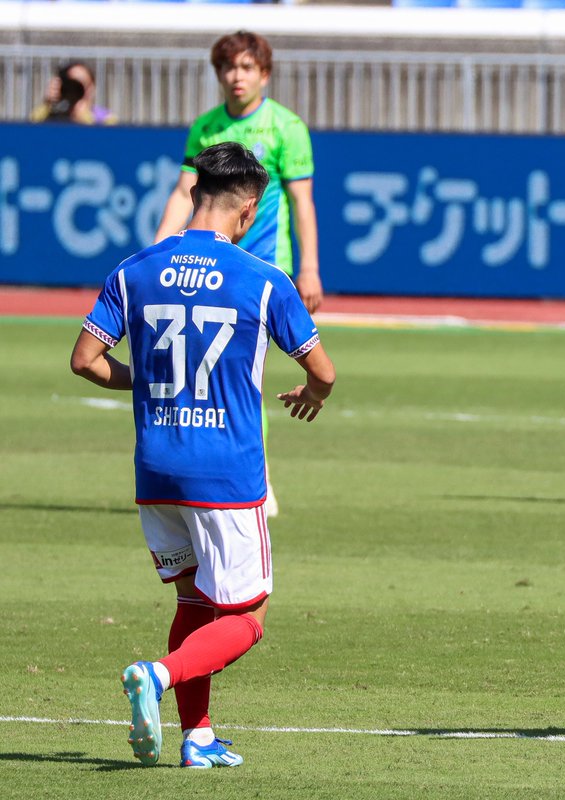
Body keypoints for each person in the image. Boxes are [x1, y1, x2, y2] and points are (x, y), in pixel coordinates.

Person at [70, 141, 336, 769]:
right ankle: (156, 677)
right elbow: (323, 371)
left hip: (155, 471)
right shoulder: (264, 281)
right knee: (246, 619)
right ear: (248, 212)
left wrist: (148, 380)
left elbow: (84, 360)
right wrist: (314, 393)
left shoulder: (133, 270)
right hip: (224, 474)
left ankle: (198, 736)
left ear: (193, 195)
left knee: (193, 601)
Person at [155, 30, 324, 517]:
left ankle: (257, 477)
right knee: (219, 373)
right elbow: (183, 189)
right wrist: (161, 248)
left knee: (249, 374)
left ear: (264, 74)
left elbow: (302, 202)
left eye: (247, 67)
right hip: (210, 265)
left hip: (265, 268)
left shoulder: (286, 127)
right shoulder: (206, 127)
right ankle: (216, 474)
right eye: (229, 67)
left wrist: (309, 268)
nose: (237, 76)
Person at [31, 61, 116, 125]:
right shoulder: (54, 115)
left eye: (83, 84)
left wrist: (82, 115)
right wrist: (48, 104)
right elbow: (31, 129)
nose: (76, 90)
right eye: (72, 84)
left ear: (92, 88)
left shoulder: (105, 118)